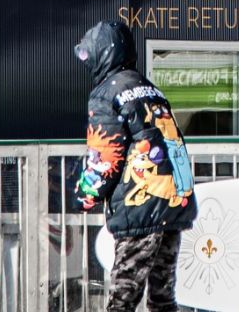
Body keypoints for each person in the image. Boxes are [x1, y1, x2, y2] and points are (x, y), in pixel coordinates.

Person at [73, 20, 196, 312]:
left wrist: (84, 195)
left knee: (123, 296)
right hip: (173, 200)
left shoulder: (106, 94)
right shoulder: (151, 90)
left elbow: (106, 154)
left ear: (104, 55)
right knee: (162, 296)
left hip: (139, 204)